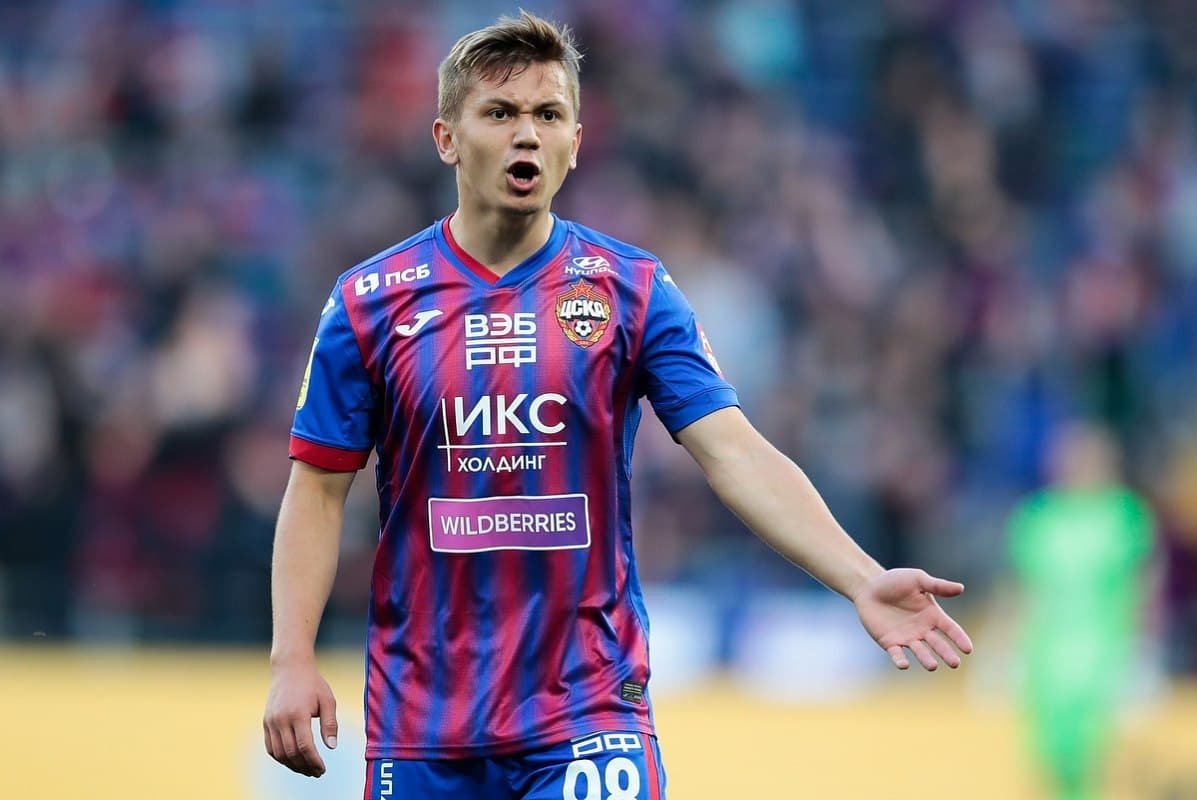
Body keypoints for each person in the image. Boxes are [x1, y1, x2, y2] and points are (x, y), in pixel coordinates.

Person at [262, 11, 974, 799]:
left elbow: (733, 450)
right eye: (499, 113)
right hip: (424, 725)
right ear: (446, 138)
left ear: (574, 141)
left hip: (589, 714)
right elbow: (317, 490)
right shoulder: (369, 302)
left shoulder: (630, 290)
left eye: (548, 115)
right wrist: (292, 659)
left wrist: (860, 577)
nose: (526, 135)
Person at [1007, 422, 1155, 800]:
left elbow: (1144, 581)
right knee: (1051, 756)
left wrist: (1144, 649)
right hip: (1048, 655)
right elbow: (1023, 588)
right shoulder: (1038, 517)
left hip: (1107, 650)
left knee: (1103, 759)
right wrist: (1009, 647)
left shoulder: (1124, 514)